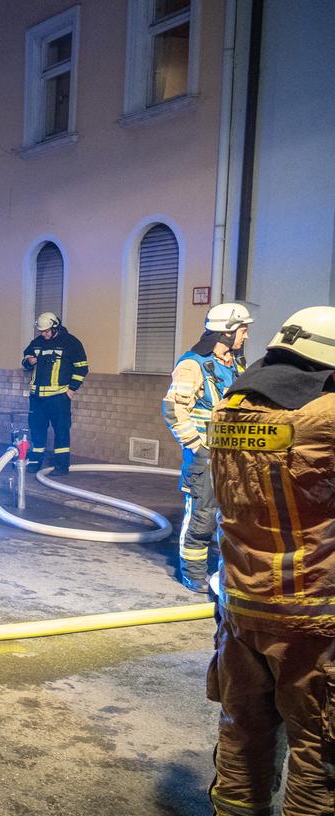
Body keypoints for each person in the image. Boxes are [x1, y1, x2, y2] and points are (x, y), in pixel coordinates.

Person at [204, 306, 335, 816]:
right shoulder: (322, 418)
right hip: (312, 616)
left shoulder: (228, 410)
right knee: (317, 750)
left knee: (242, 734)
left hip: (240, 610)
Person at [162, 302, 254, 592]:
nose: (246, 336)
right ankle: (194, 574)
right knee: (201, 519)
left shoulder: (236, 364)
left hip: (234, 458)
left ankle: (227, 575)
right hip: (206, 457)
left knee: (235, 520)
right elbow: (174, 411)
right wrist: (197, 448)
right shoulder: (192, 365)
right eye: (243, 330)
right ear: (226, 333)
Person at [20, 312, 87, 473]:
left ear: (55, 327)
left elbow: (82, 368)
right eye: (41, 331)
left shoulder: (70, 343)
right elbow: (25, 360)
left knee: (61, 430)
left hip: (59, 397)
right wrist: (29, 361)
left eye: (47, 331)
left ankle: (61, 466)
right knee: (36, 430)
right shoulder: (37, 343)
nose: (44, 334)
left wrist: (71, 390)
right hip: (37, 398)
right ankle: (35, 462)